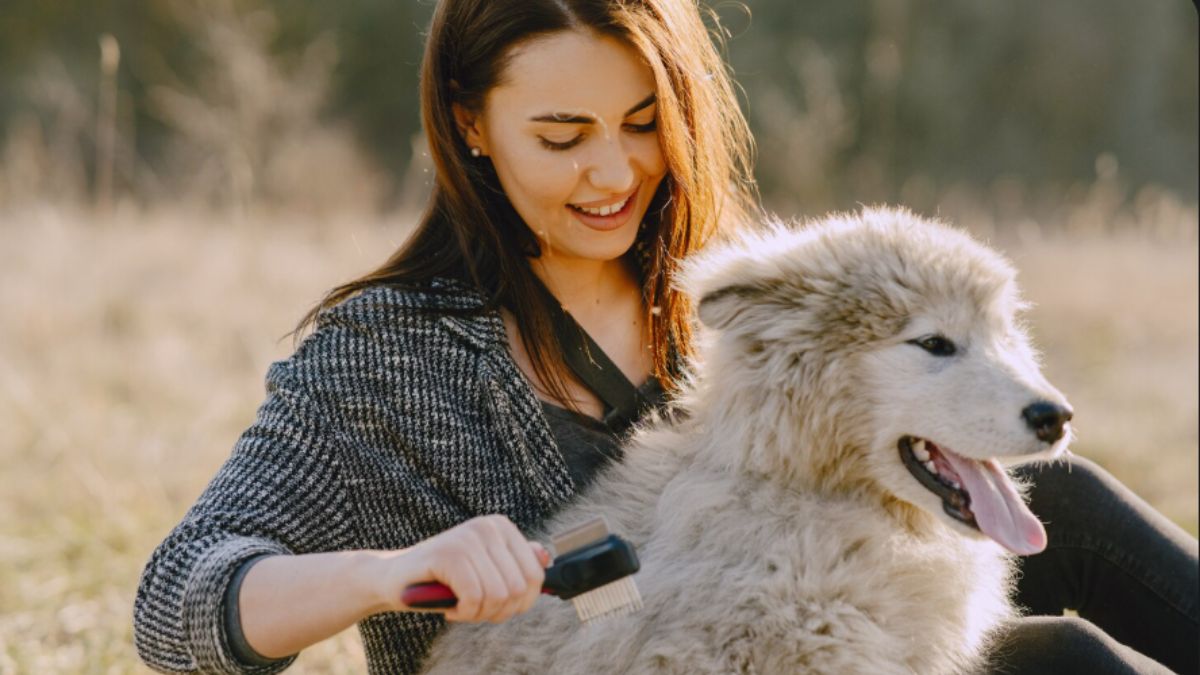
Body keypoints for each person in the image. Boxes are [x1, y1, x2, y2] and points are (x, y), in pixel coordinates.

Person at [132, 1, 1198, 673]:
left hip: (830, 630)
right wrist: (396, 571)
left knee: (1065, 518)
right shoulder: (388, 359)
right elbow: (181, 602)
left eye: (645, 124)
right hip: (608, 655)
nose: (615, 173)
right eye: (562, 136)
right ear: (471, 125)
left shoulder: (736, 297)